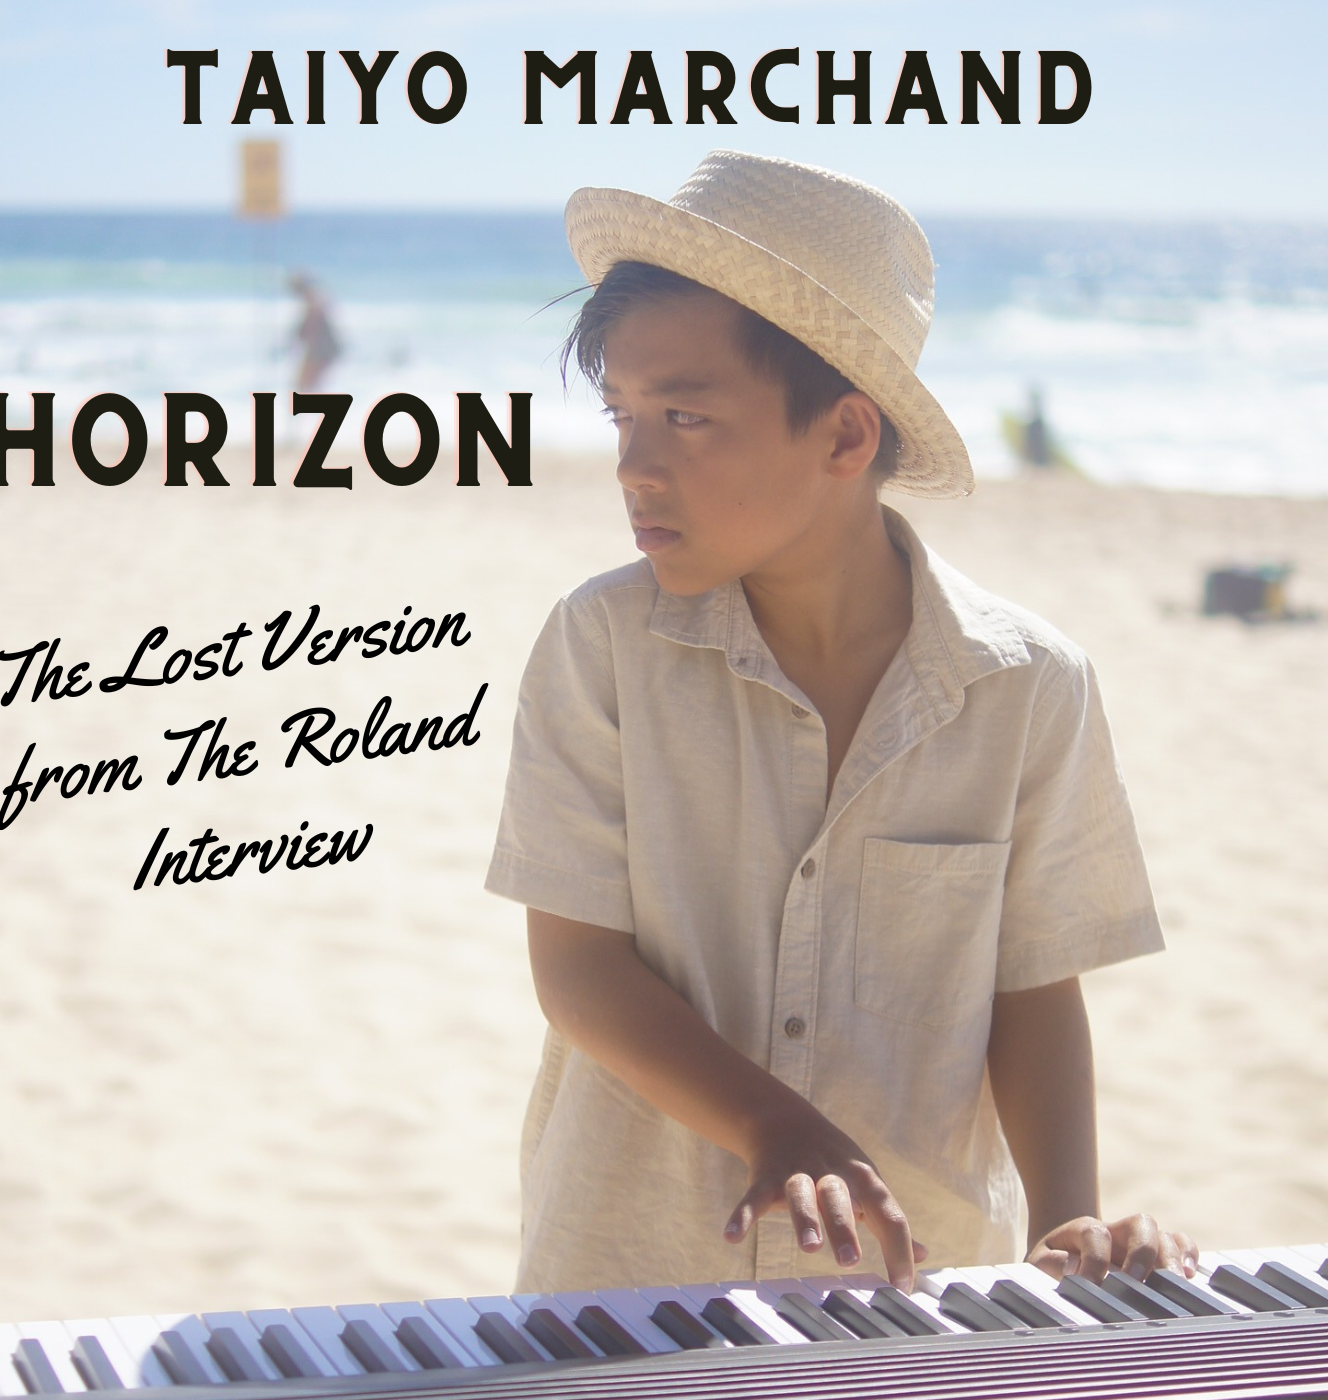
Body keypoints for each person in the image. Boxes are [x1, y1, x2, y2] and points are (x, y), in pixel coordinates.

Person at [485, 150, 1195, 1296]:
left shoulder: (1026, 684)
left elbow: (1031, 987)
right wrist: (774, 1124)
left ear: (843, 438)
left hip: (915, 1284)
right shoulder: (598, 645)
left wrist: (1067, 1218)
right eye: (620, 412)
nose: (632, 464)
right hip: (625, 1280)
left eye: (683, 415)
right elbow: (577, 969)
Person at [289, 272, 341, 393]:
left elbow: (312, 325)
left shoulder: (313, 300)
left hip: (321, 349)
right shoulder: (314, 299)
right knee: (307, 385)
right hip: (320, 348)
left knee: (306, 384)